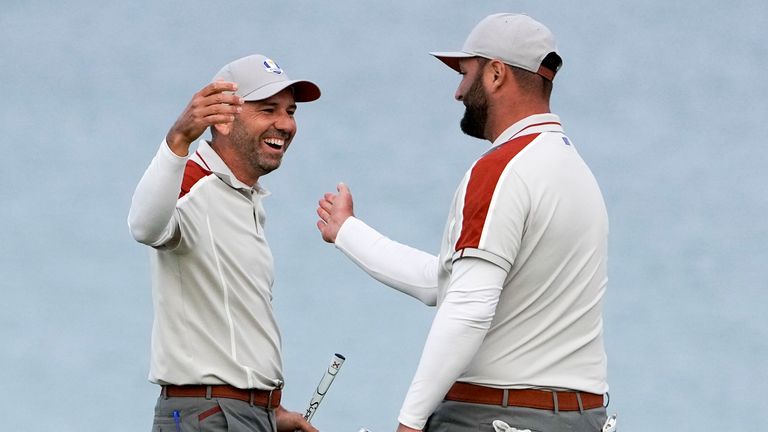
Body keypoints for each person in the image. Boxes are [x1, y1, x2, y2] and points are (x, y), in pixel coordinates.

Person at [316, 13, 610, 432]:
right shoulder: (577, 172)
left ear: (495, 73)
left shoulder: (501, 169)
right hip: (581, 417)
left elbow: (469, 308)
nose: (457, 92)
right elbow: (447, 283)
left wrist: (409, 423)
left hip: (495, 415)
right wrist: (347, 231)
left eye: (464, 74)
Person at [128, 54, 321, 432]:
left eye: (290, 111)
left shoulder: (242, 195)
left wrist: (268, 412)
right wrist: (178, 138)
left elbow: (236, 324)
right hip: (205, 413)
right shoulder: (193, 180)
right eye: (268, 110)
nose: (285, 124)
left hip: (235, 413)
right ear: (223, 118)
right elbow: (144, 227)